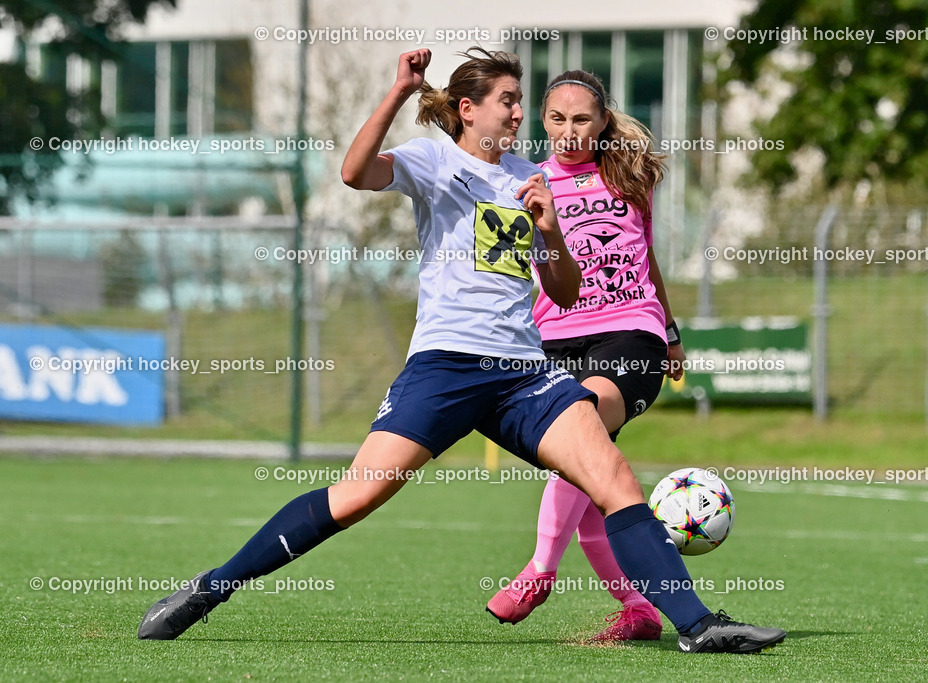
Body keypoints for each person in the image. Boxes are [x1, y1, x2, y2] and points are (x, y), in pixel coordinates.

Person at [136, 47, 785, 655]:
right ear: (469, 110)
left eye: (519, 101)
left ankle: (697, 625)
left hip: (523, 372)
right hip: (445, 366)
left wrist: (552, 229)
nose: (518, 112)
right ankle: (210, 587)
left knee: (613, 479)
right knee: (356, 498)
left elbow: (562, 292)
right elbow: (355, 172)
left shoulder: (535, 180)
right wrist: (398, 91)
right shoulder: (434, 162)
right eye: (507, 100)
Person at [486, 70, 684, 642]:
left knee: (586, 415)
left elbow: (647, 262)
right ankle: (640, 609)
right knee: (594, 493)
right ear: (541, 121)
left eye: (581, 120)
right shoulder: (520, 184)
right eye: (557, 119)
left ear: (602, 123)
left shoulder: (631, 178)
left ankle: (538, 571)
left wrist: (669, 332)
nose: (569, 132)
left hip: (631, 333)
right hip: (554, 344)